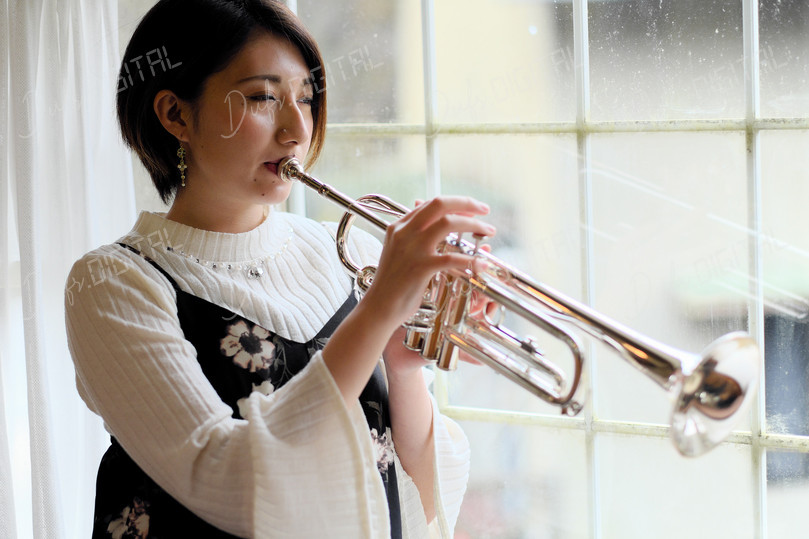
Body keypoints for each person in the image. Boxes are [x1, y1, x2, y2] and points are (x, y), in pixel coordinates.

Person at [65, 0, 495, 537]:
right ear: (175, 114)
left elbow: (415, 497)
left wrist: (403, 368)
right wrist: (380, 307)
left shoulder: (347, 253)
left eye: (308, 100)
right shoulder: (111, 284)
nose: (298, 131)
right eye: (264, 98)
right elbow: (232, 482)